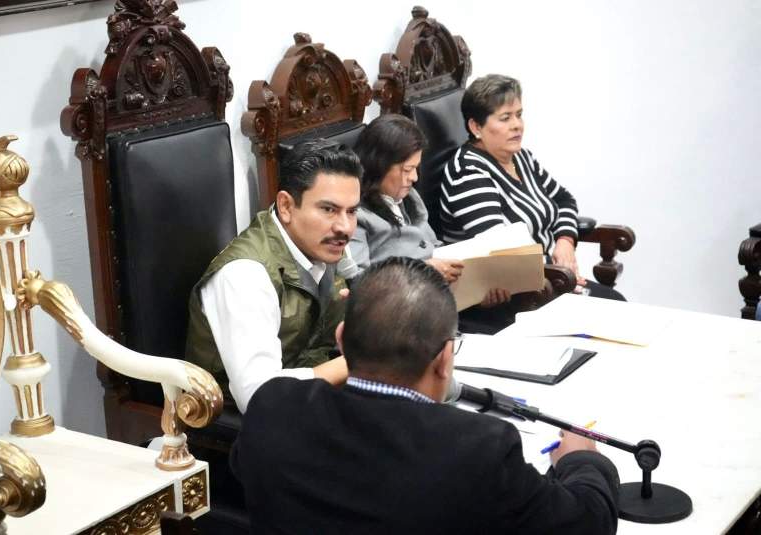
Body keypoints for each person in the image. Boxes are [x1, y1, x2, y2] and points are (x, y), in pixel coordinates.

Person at [231, 257, 620, 533]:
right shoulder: (480, 449)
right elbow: (587, 523)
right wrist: (582, 461)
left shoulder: (273, 407)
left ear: (341, 340)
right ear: (445, 359)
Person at [185, 140, 361, 412]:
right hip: (240, 422)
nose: (345, 227)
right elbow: (259, 397)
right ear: (286, 206)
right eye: (329, 209)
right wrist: (359, 362)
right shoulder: (245, 275)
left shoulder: (326, 242)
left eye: (352, 211)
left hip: (313, 397)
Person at [441, 74, 624, 300]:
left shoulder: (520, 157)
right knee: (614, 304)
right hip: (511, 291)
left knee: (616, 303)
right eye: (505, 118)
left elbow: (564, 200)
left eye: (519, 115)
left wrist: (565, 241)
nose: (517, 125)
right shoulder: (468, 172)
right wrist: (560, 275)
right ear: (476, 126)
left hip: (548, 277)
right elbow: (504, 253)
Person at [349, 114, 509, 307]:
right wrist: (421, 270)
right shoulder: (353, 214)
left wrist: (477, 290)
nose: (414, 178)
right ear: (379, 166)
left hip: (443, 303)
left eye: (416, 168)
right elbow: (358, 282)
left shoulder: (410, 198)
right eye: (407, 170)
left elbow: (433, 247)